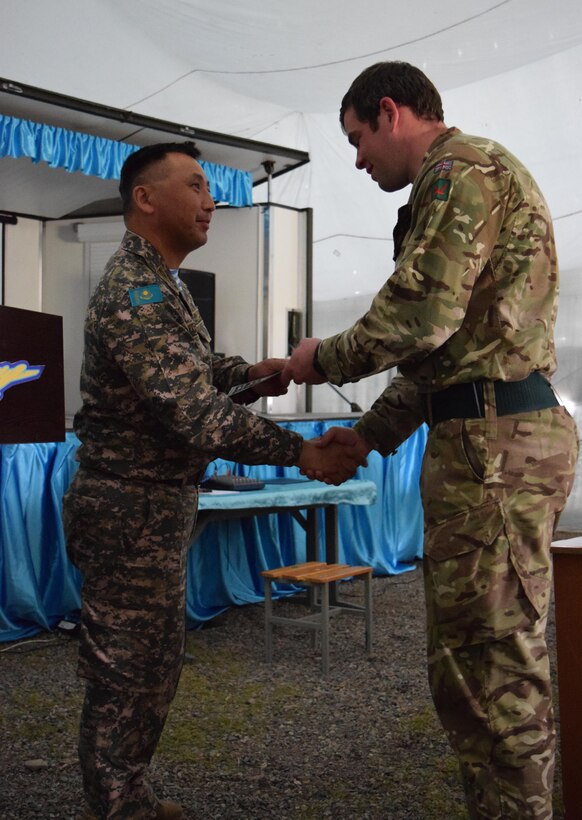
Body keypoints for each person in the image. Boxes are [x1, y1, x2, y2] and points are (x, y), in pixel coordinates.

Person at [285, 62, 579, 819]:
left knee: (495, 674)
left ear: (391, 112)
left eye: (357, 139)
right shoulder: (459, 183)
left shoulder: (461, 174)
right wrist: (366, 437)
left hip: (494, 444)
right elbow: (442, 355)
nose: (356, 159)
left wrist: (323, 360)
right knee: (466, 668)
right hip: (484, 435)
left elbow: (420, 317)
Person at [62, 141, 363, 820]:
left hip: (152, 509)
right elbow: (194, 415)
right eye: (195, 186)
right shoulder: (134, 291)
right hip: (125, 511)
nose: (211, 201)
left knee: (154, 664)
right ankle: (112, 806)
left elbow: (197, 377)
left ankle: (132, 792)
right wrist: (301, 452)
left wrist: (254, 373)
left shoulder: (162, 282)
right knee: (121, 673)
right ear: (146, 198)